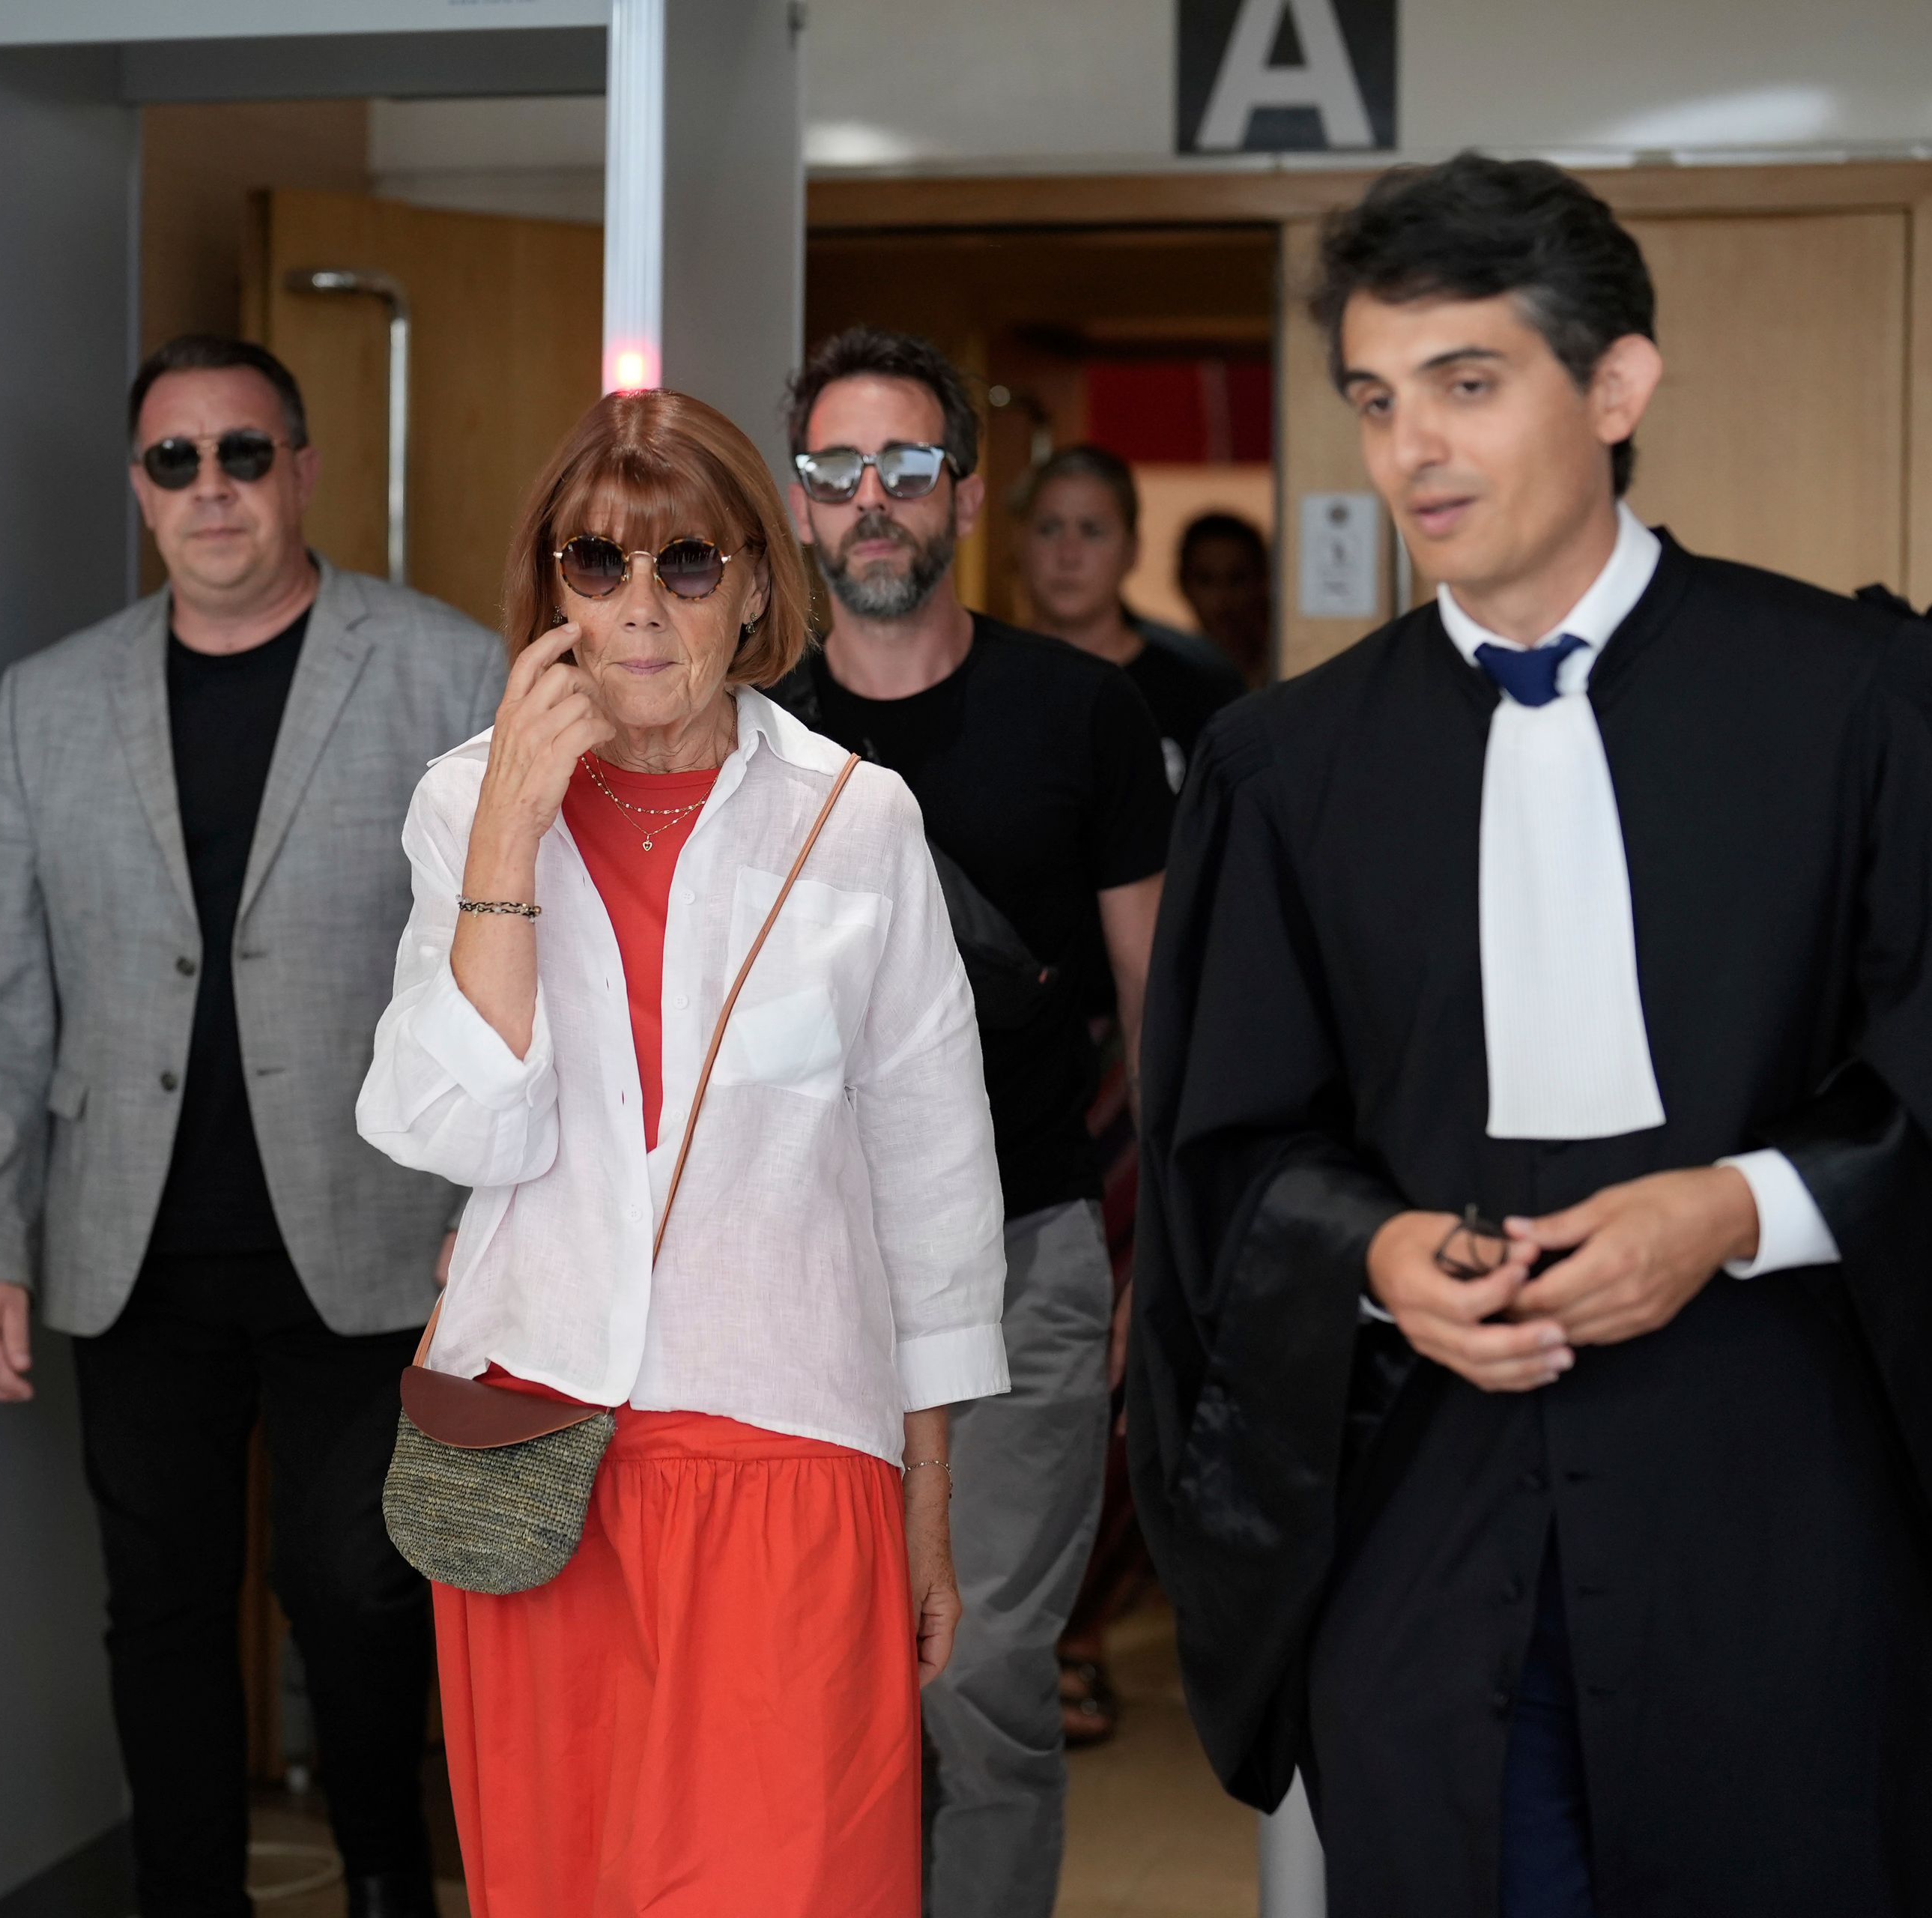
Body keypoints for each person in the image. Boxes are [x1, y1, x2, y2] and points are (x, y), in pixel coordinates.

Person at [1130, 155, 1932, 1917]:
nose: (1413, 450)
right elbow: (1225, 1149)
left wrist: (1732, 1206)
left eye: (1468, 384)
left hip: (1778, 1467)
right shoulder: (1282, 766)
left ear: (1613, 385)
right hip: (1430, 1477)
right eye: (1376, 400)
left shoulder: (1862, 705)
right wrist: (1383, 1249)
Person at [353, 388, 1008, 1918]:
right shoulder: (466, 802)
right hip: (535, 1457)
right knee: (559, 1883)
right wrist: (512, 834)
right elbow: (450, 1122)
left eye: (687, 567)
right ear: (549, 591)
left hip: (787, 1447)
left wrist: (929, 1501)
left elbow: (933, 1176)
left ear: (761, 587)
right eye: (596, 566)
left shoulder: (858, 819)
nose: (639, 612)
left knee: (789, 1883)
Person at [0, 334, 506, 1918]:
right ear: (138, 488)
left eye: (241, 453)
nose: (211, 490)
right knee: (163, 1609)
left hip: (379, 1237)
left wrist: (500, 1214)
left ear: (303, 469)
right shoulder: (50, 702)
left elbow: (515, 967)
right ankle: (189, 1895)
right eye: (174, 461)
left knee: (359, 1587)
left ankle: (389, 1871)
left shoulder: (445, 667)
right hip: (134, 1244)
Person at [769, 327, 1174, 1918]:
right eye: (839, 471)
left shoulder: (1082, 714)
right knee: (824, 1685)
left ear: (965, 492)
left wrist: (1155, 1254)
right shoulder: (754, 737)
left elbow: (1161, 1013)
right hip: (798, 1286)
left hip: (1027, 1260)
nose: (875, 500)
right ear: (801, 505)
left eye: (908, 467)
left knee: (986, 1676)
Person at [1017, 443, 1248, 790]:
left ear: (1132, 551)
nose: (1068, 555)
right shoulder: (979, 682)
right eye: (1050, 529)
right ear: (1019, 542)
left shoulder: (1198, 688)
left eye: (1092, 531)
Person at [1175, 510, 1273, 686]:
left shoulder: (1288, 666)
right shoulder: (1170, 676)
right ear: (1183, 584)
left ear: (1262, 581)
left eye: (1237, 579)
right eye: (1206, 580)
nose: (1223, 597)